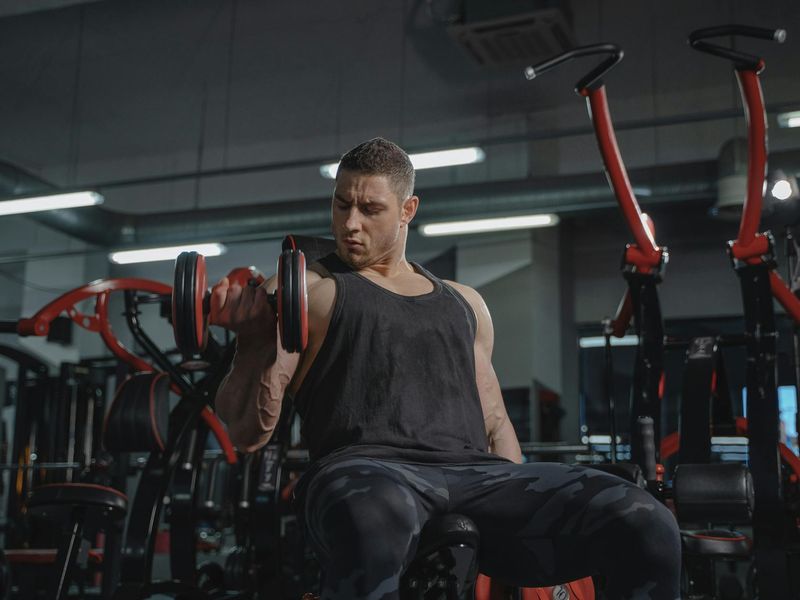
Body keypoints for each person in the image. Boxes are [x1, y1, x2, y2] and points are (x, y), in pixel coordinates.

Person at [214, 137, 681, 600]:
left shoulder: (465, 303)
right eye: (341, 205)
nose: (350, 223)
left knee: (643, 519)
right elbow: (247, 432)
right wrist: (252, 343)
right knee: (374, 518)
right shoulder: (306, 291)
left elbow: (495, 422)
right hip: (367, 473)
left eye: (370, 209)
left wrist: (520, 505)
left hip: (475, 476)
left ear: (408, 210)